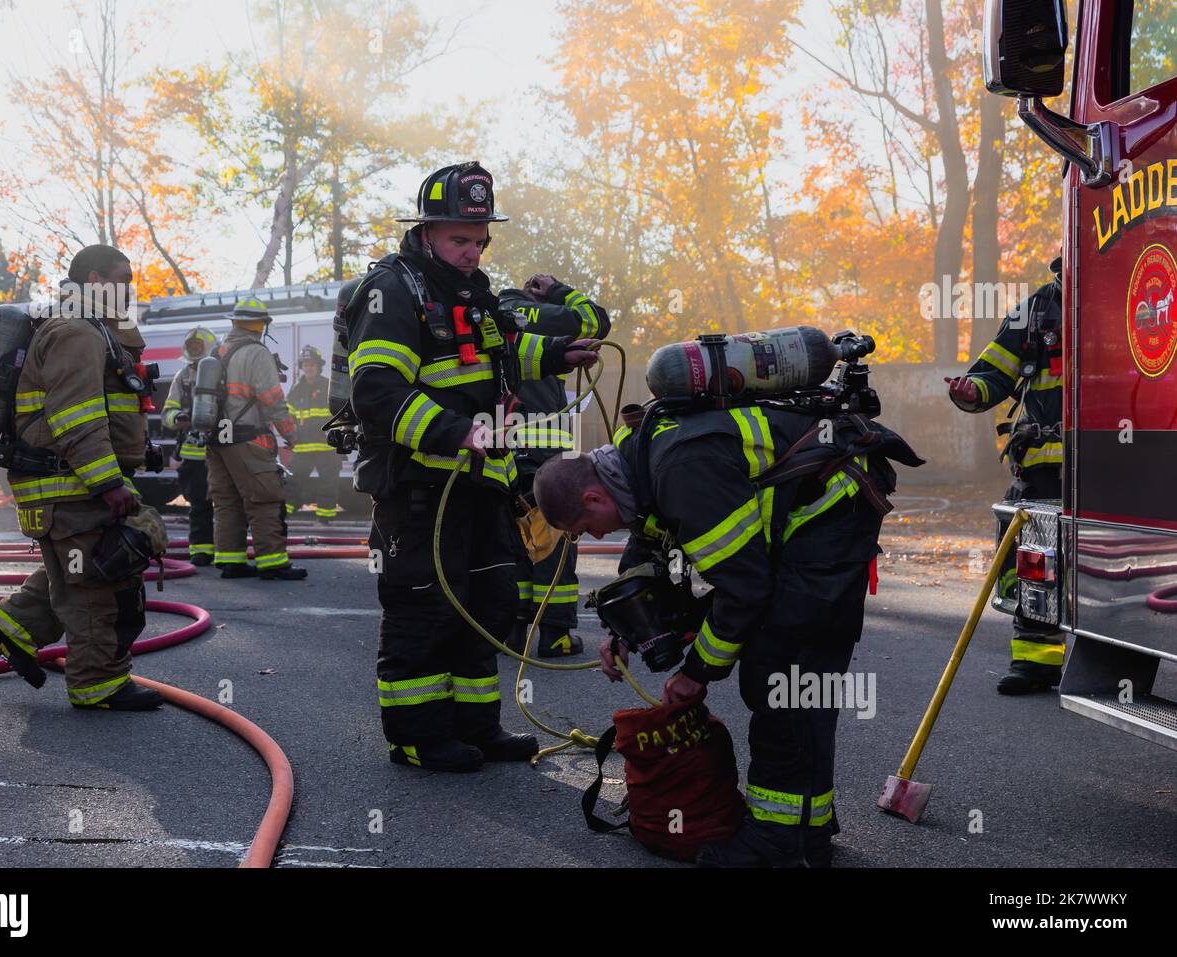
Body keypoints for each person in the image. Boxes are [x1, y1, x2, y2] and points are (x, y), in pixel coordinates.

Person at [533, 402, 921, 866]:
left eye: (585, 529)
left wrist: (698, 671)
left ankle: (781, 844)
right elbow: (649, 544)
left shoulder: (681, 470)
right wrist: (626, 632)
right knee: (789, 681)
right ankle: (806, 832)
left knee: (785, 677)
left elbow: (745, 587)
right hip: (802, 523)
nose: (594, 538)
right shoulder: (632, 462)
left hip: (827, 524)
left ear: (594, 499)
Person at [346, 161, 599, 772]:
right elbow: (376, 390)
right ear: (427, 230)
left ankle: (476, 727)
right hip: (420, 486)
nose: (472, 251)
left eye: (481, 239)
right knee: (425, 607)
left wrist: (561, 353)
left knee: (487, 600)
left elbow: (504, 354)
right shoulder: (394, 289)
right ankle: (418, 737)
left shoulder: (470, 291)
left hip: (481, 484)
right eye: (461, 238)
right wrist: (459, 432)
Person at [0, 244, 164, 711]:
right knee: (100, 587)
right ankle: (98, 685)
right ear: (97, 280)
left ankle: (14, 625)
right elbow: (76, 419)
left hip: (72, 480)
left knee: (76, 569)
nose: (130, 288)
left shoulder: (91, 328)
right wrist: (108, 483)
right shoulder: (76, 332)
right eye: (123, 278)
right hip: (71, 482)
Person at [946, 256, 1063, 694]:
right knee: (1035, 562)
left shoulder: (1138, 294)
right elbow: (992, 374)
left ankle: (1124, 656)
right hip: (1043, 466)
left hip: (1123, 465)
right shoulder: (1035, 309)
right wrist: (970, 390)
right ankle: (1036, 663)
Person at [500, 276, 610, 657]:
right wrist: (559, 289)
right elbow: (596, 321)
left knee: (515, 543)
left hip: (505, 451)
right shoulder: (540, 315)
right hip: (548, 453)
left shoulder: (490, 317)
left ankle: (512, 633)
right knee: (555, 544)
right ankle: (555, 635)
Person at [205, 299, 307, 581]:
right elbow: (272, 399)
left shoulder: (218, 351)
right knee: (264, 499)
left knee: (227, 501)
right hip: (246, 438)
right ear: (262, 325)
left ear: (235, 322)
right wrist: (290, 433)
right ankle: (273, 563)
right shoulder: (256, 352)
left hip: (216, 440)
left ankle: (231, 562)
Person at [161, 326, 216, 565]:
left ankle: (227, 550)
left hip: (219, 450)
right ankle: (201, 552)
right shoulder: (182, 376)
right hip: (193, 453)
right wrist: (177, 418)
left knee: (227, 504)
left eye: (199, 346)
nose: (195, 350)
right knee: (198, 505)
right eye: (192, 346)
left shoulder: (221, 372)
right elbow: (167, 411)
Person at [285, 345, 339, 522]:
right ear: (302, 367)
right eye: (306, 365)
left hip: (326, 446)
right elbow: (287, 415)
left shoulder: (329, 386)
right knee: (293, 482)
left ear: (318, 366)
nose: (309, 368)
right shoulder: (296, 389)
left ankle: (325, 519)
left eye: (312, 364)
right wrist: (289, 435)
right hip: (303, 446)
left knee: (328, 484)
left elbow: (339, 413)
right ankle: (285, 514)